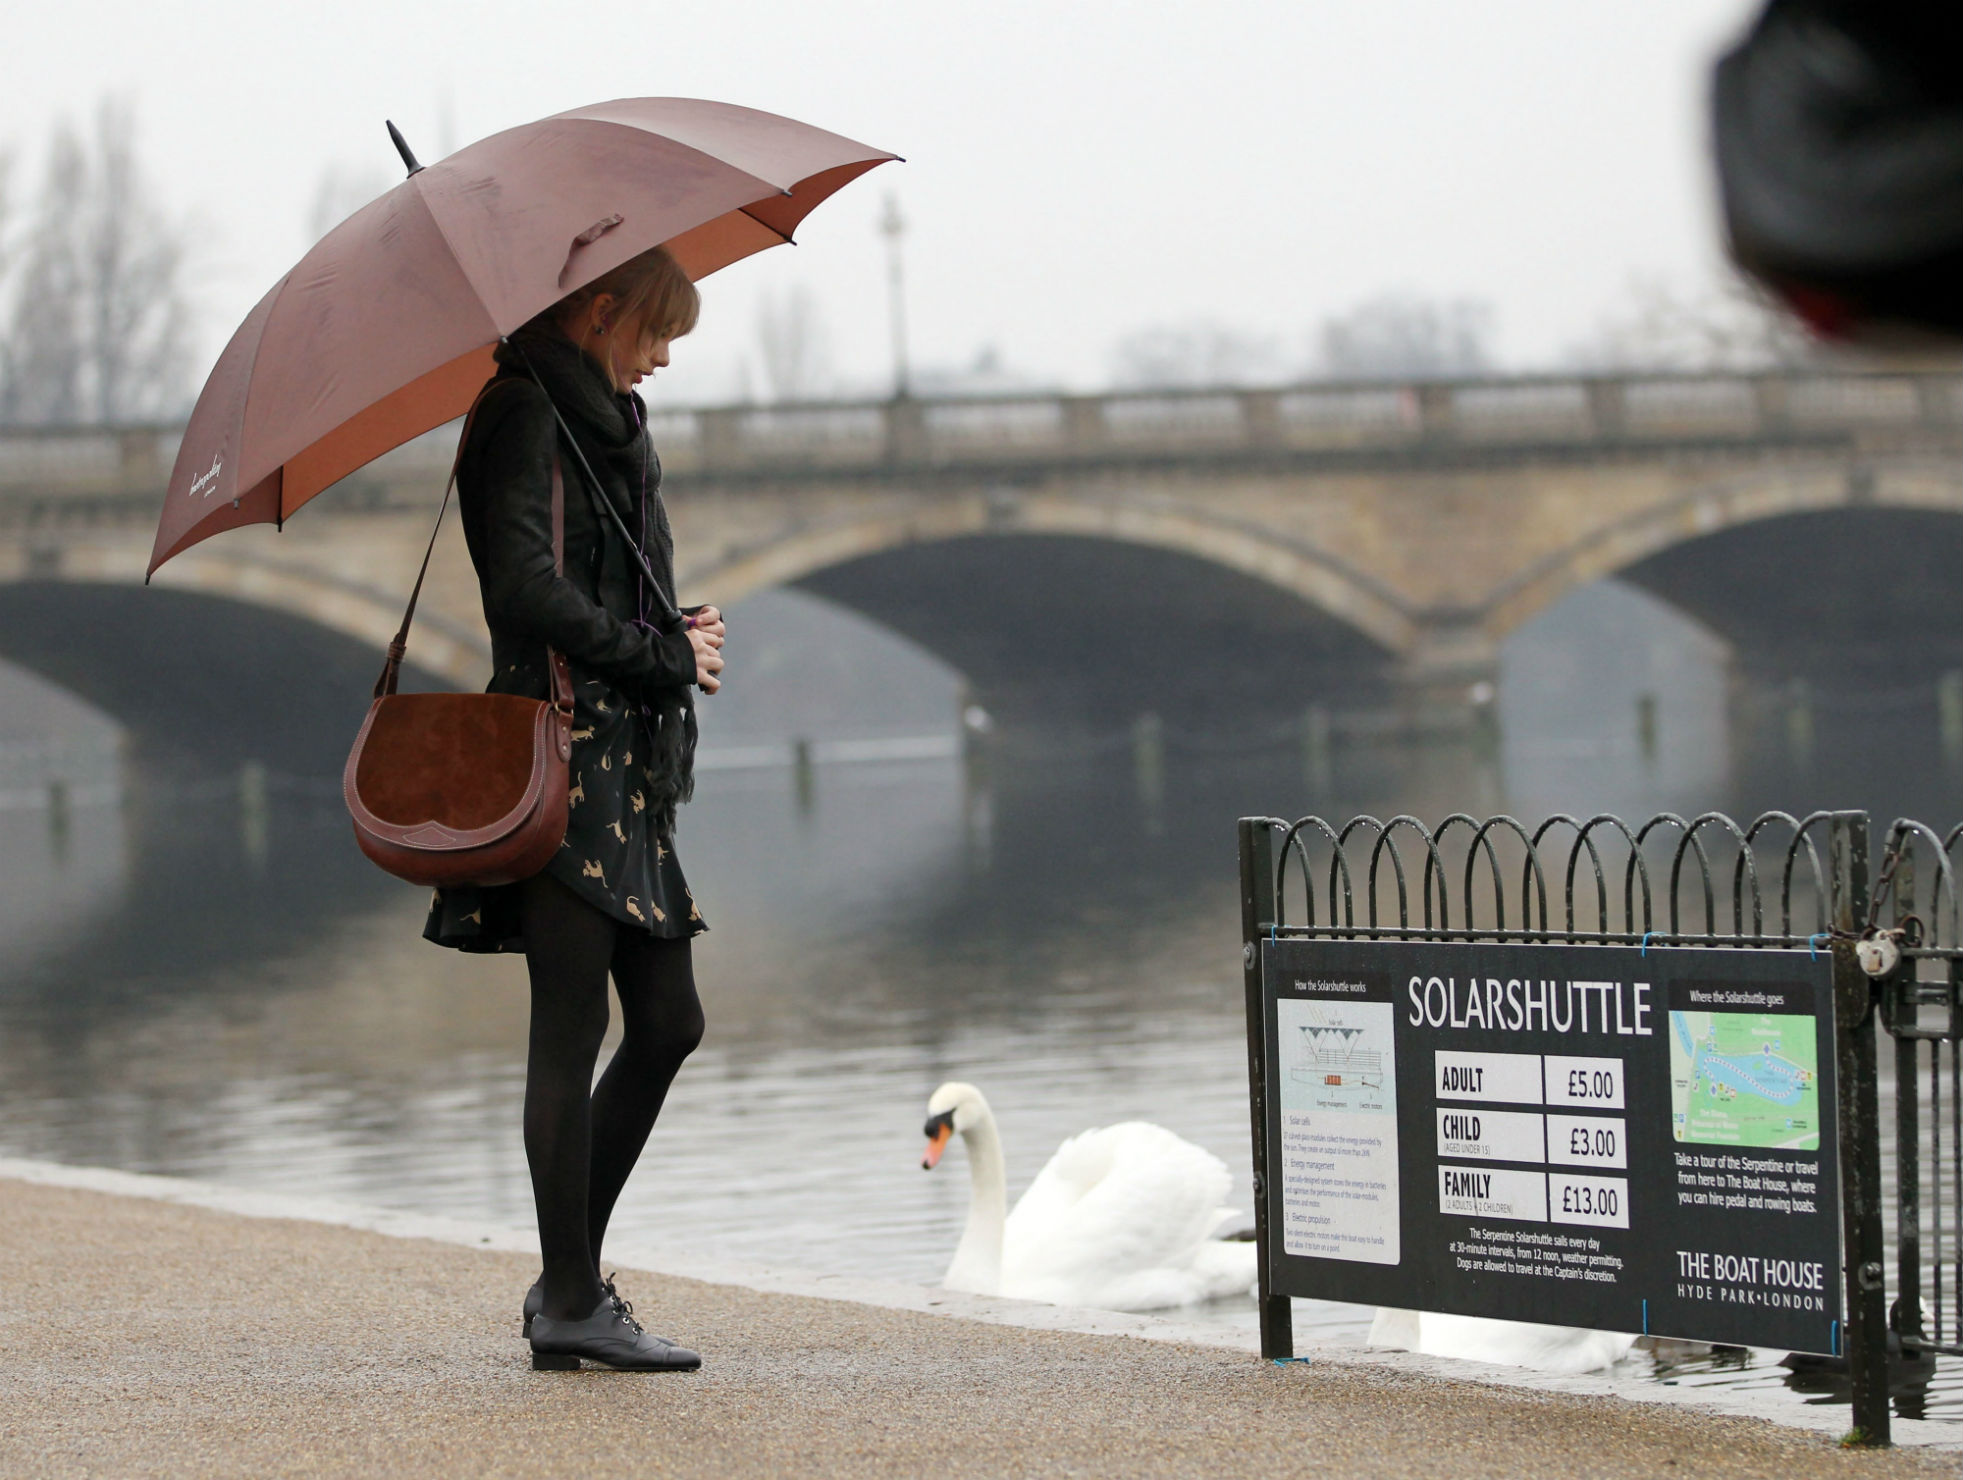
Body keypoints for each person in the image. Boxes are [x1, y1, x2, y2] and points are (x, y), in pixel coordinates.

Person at [423, 244, 725, 1372]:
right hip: (560, 755)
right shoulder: (522, 413)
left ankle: (568, 1285)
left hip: (623, 764)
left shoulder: (600, 420)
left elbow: (594, 579)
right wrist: (659, 656)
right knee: (571, 1025)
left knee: (668, 1022)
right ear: (601, 313)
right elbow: (523, 592)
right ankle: (566, 1297)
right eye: (654, 337)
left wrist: (675, 626)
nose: (659, 362)